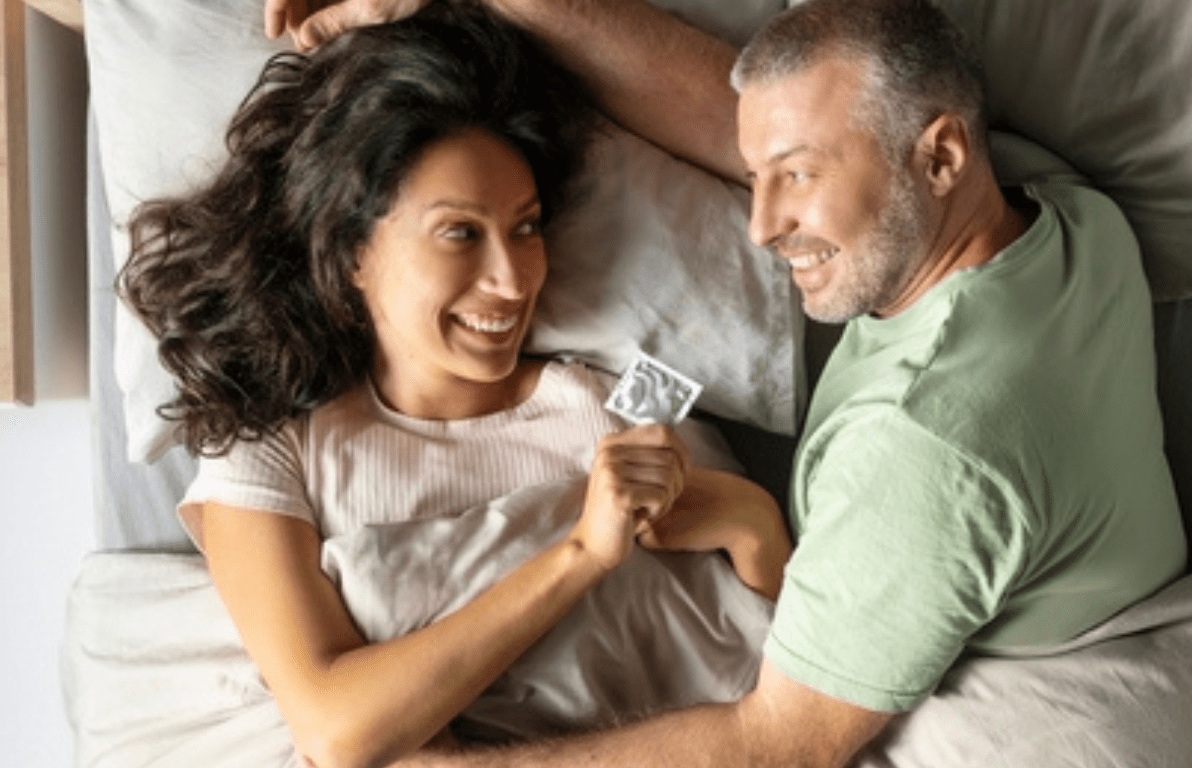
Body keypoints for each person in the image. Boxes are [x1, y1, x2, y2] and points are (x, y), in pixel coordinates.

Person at [264, 0, 1189, 766]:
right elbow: (754, 110)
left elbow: (774, 745)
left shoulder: (920, 452)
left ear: (941, 155)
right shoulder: (1061, 216)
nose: (758, 227)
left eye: (795, 178)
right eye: (756, 176)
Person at [117, 5, 792, 768]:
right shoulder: (274, 451)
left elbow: (785, 664)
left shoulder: (608, 407)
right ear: (349, 255)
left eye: (527, 227)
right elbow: (335, 729)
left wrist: (755, 522)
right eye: (461, 234)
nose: (512, 279)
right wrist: (579, 554)